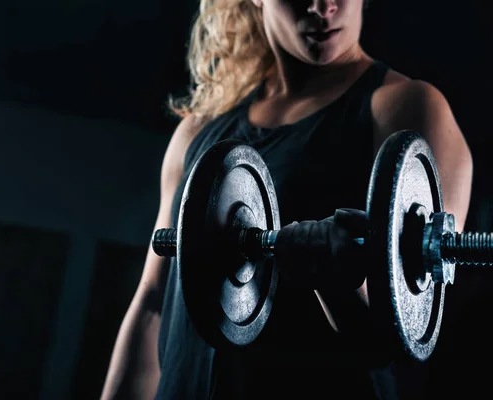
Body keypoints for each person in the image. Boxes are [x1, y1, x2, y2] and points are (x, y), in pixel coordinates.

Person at [101, 0, 473, 398]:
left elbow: (404, 327)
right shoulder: (197, 132)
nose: (322, 6)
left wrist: (335, 284)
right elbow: (154, 302)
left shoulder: (407, 107)